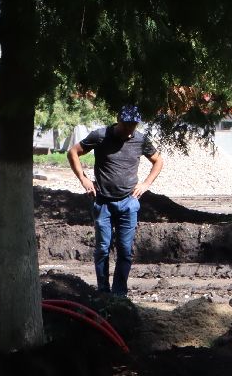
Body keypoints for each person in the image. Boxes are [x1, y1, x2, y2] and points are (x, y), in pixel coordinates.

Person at [68, 106, 164, 297]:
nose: (130, 129)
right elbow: (73, 152)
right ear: (118, 120)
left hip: (129, 202)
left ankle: (119, 293)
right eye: (127, 124)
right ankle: (103, 292)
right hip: (102, 202)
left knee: (125, 251)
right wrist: (84, 179)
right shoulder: (100, 136)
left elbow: (158, 161)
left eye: (134, 125)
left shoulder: (141, 140)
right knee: (103, 248)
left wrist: (146, 183)